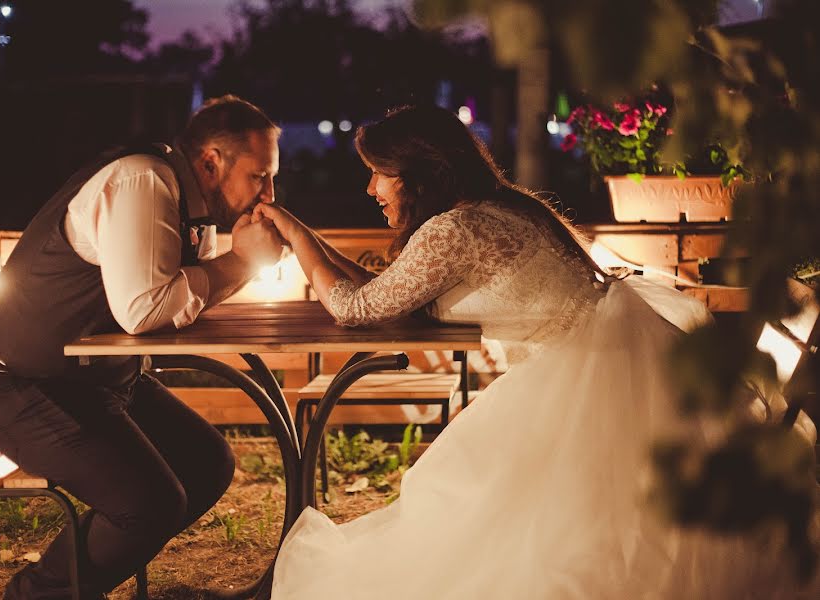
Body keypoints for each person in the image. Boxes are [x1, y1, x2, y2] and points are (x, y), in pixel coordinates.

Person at [254, 105, 819, 599]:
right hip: (605, 361)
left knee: (492, 517)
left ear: (420, 176)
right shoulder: (497, 207)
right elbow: (390, 297)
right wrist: (308, 237)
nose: (371, 191)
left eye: (380, 176)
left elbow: (356, 309)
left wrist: (294, 233)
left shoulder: (456, 228)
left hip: (582, 378)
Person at [0, 95, 284, 599]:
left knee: (206, 463)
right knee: (149, 503)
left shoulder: (186, 202)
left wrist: (235, 263)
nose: (269, 193)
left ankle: (72, 583)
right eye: (259, 176)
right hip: (16, 382)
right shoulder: (143, 181)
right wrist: (243, 264)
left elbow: (183, 295)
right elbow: (145, 309)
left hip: (92, 381)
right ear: (211, 162)